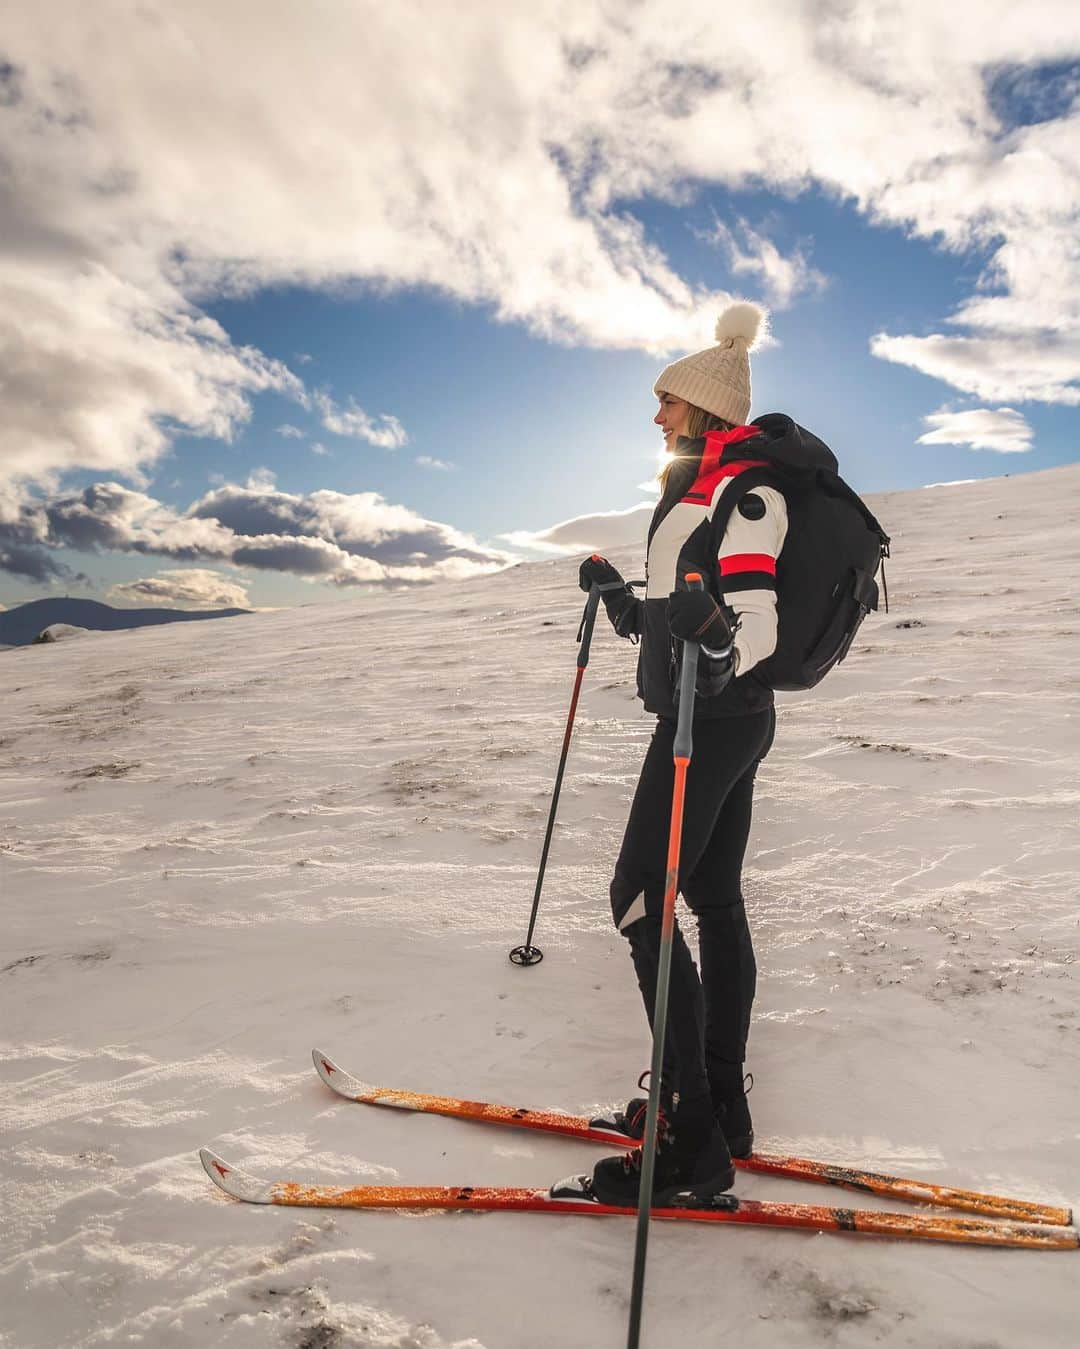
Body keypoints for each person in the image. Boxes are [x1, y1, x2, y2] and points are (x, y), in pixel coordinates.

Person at [578, 301, 786, 1205]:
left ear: (701, 406)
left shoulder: (746, 493)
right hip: (713, 715)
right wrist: (623, 600)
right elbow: (679, 623)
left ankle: (693, 1138)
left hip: (717, 721)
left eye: (666, 400)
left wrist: (724, 645)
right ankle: (716, 1108)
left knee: (638, 897)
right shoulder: (692, 490)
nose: (655, 414)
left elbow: (756, 621)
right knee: (712, 897)